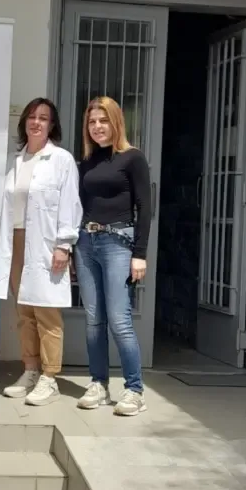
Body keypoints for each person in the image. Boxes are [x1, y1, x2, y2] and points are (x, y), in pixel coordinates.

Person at [0, 98, 82, 406]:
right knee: (24, 313)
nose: (36, 122)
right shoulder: (13, 161)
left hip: (46, 244)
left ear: (51, 125)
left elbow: (70, 204)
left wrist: (64, 245)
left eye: (43, 118)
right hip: (16, 242)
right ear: (24, 123)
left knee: (47, 312)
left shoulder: (61, 160)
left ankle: (49, 377)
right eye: (32, 117)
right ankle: (30, 370)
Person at [74, 96, 151, 417]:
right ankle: (98, 383)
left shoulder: (133, 158)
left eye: (103, 120)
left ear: (116, 121)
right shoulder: (86, 162)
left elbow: (145, 207)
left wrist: (140, 254)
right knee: (94, 320)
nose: (97, 127)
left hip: (119, 242)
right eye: (92, 122)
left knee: (120, 320)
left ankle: (134, 390)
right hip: (86, 243)